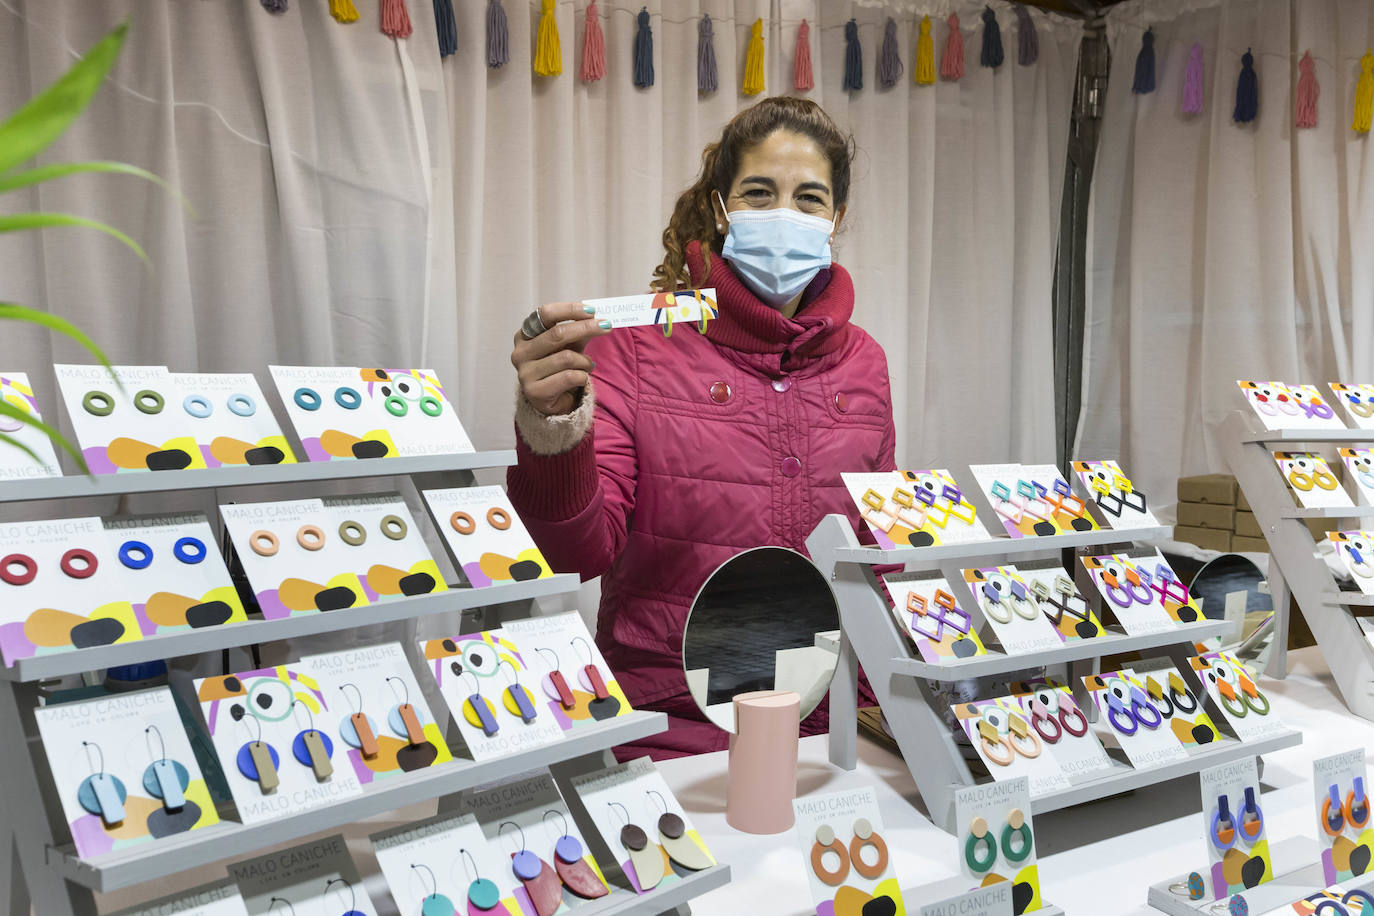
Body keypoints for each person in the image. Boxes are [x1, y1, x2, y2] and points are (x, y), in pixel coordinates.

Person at [507, 97, 894, 759]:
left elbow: (876, 564)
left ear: (837, 218)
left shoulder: (864, 362)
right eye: (759, 193)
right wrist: (552, 429)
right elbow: (571, 556)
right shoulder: (633, 350)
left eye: (808, 198)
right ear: (721, 209)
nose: (785, 215)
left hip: (832, 732)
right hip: (672, 733)